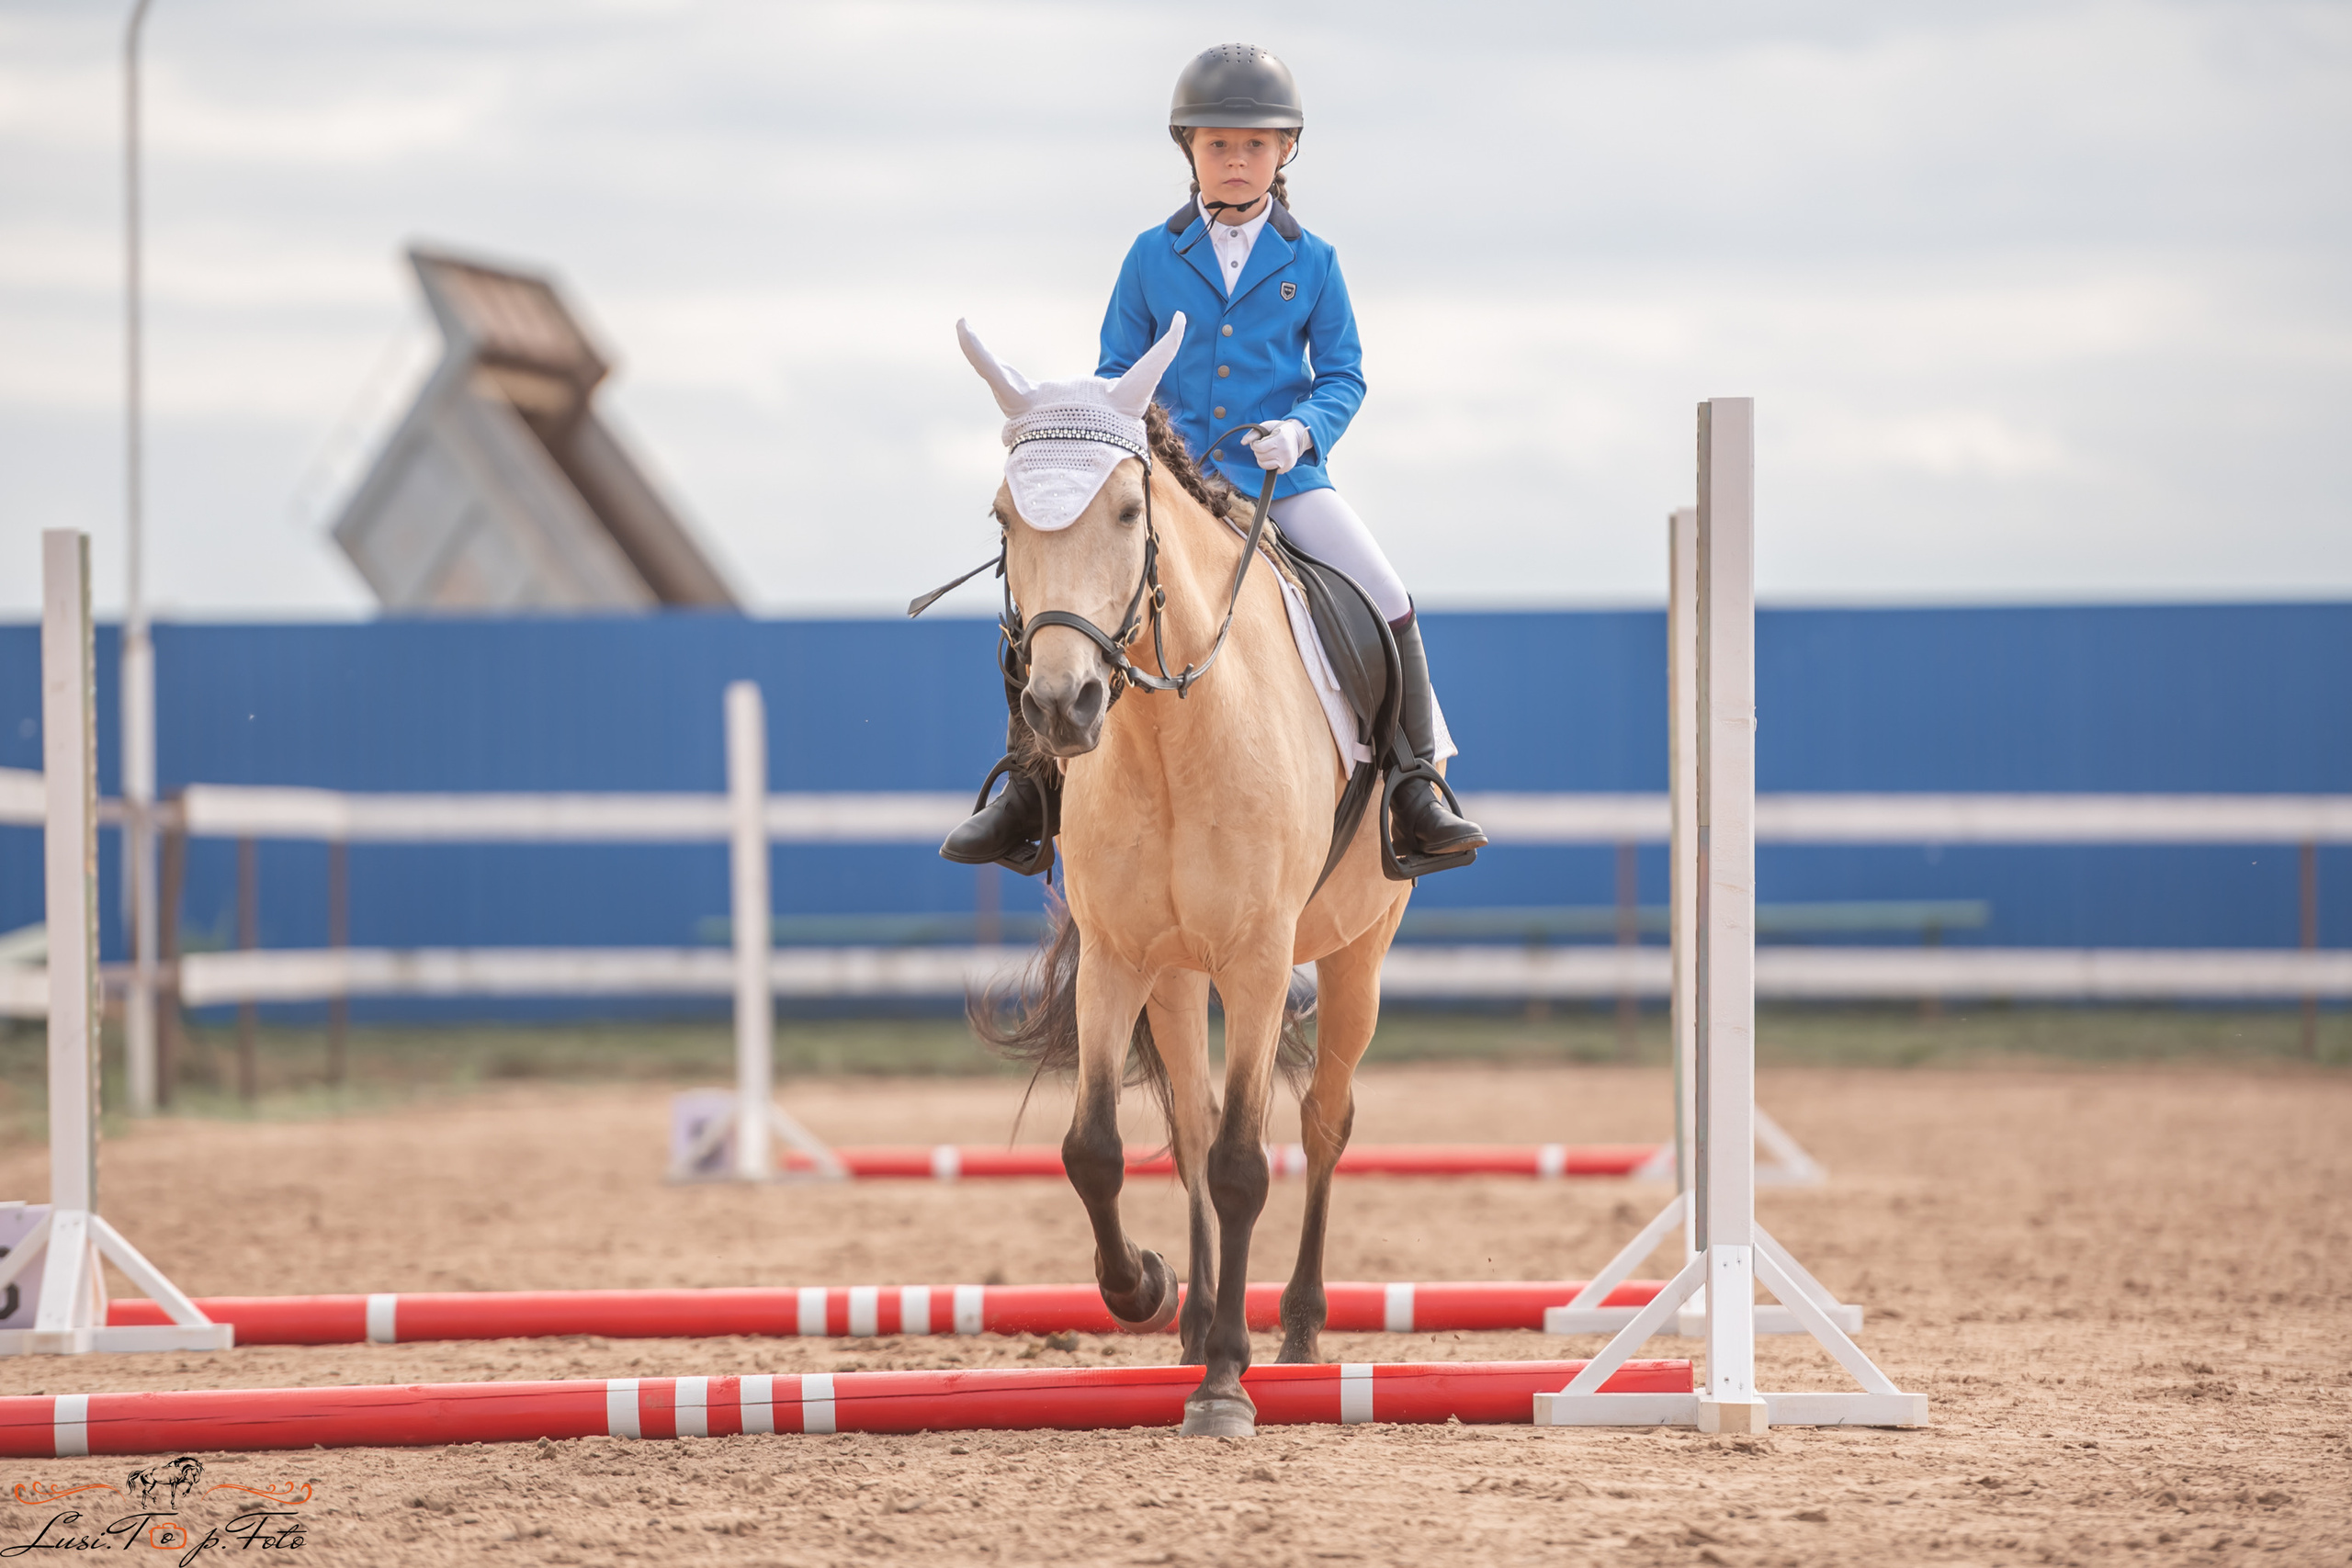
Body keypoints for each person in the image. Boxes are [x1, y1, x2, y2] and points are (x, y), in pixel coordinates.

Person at [941, 41, 1487, 872]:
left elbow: (1343, 374)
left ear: (1285, 152)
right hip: (1168, 488)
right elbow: (1118, 375)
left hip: (1280, 479)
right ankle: (1027, 791)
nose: (1237, 160)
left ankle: (1413, 789)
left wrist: (1302, 431)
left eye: (1255, 145)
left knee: (1387, 593)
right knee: (1054, 594)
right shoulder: (1149, 258)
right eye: (1220, 144)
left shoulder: (1315, 262)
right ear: (1189, 149)